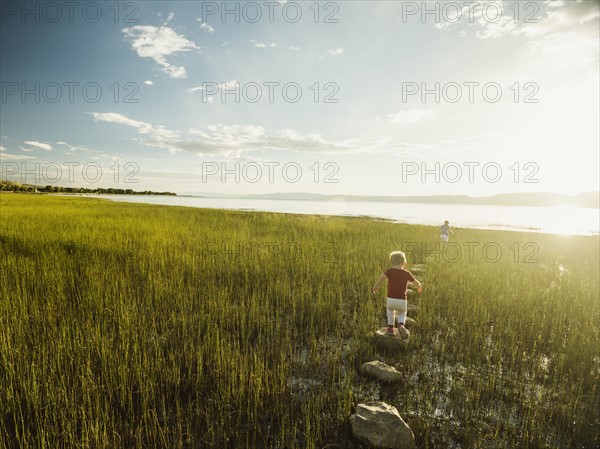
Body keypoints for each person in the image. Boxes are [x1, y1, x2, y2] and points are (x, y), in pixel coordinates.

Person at [372, 251, 422, 337]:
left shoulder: (390, 271)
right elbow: (416, 282)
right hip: (402, 299)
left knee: (390, 312)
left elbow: (381, 278)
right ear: (404, 262)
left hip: (391, 299)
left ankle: (391, 328)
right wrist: (419, 287)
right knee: (402, 312)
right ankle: (401, 325)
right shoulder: (406, 273)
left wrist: (375, 287)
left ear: (392, 262)